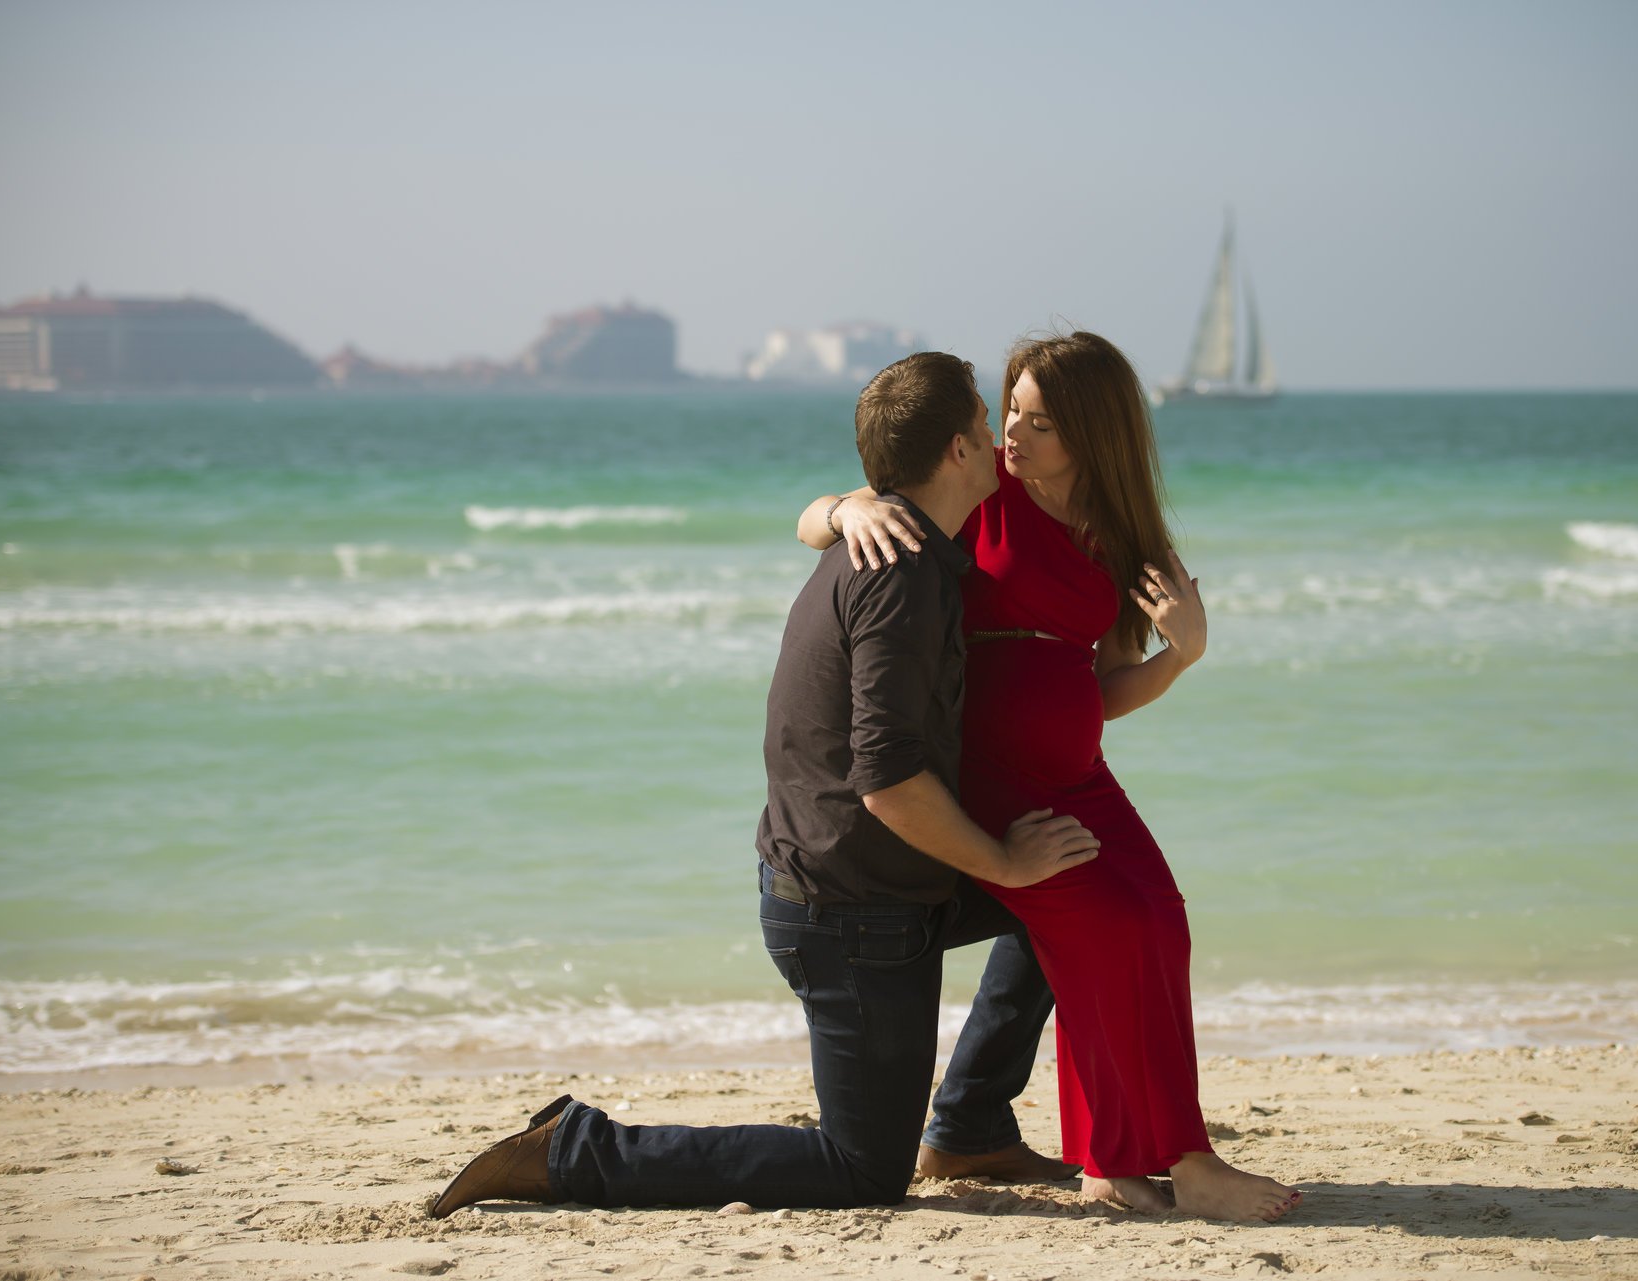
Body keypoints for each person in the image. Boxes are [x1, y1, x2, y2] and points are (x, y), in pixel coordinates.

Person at [428, 352, 1100, 1218]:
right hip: (853, 912)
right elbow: (888, 780)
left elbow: (824, 521)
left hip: (877, 880)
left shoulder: (904, 532)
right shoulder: (900, 572)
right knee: (862, 1171)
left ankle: (969, 1116)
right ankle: (572, 1150)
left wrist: (840, 504)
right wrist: (1003, 862)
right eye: (984, 420)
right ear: (959, 453)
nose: (996, 434)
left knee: (1066, 889)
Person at [796, 331, 1299, 1223]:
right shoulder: (981, 481)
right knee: (1104, 922)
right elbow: (815, 516)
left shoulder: (1121, 531)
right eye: (1011, 411)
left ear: (1094, 433)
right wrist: (844, 512)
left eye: (1039, 422)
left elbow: (1103, 690)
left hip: (1078, 769)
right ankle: (1173, 1160)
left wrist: (1183, 656)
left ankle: (1122, 1155)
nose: (1015, 436)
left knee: (1160, 919)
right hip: (989, 775)